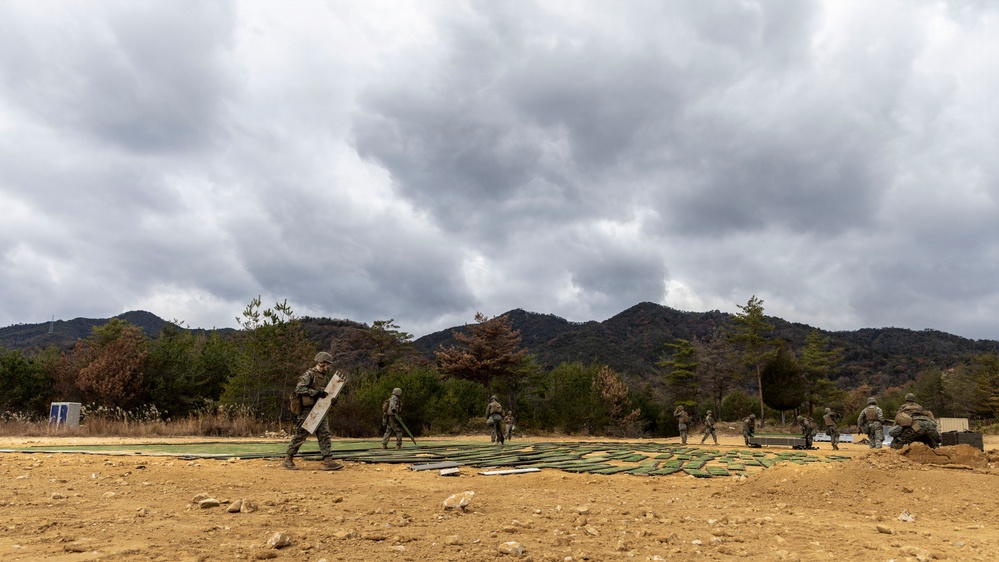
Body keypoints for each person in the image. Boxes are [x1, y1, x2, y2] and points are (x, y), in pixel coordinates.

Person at [283, 352, 343, 471]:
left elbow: (325, 394)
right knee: (301, 435)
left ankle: (328, 460)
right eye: (327, 364)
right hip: (308, 410)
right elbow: (299, 389)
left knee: (324, 434)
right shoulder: (309, 374)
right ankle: (288, 459)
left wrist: (331, 399)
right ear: (322, 363)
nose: (328, 367)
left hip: (320, 409)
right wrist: (316, 393)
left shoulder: (324, 377)